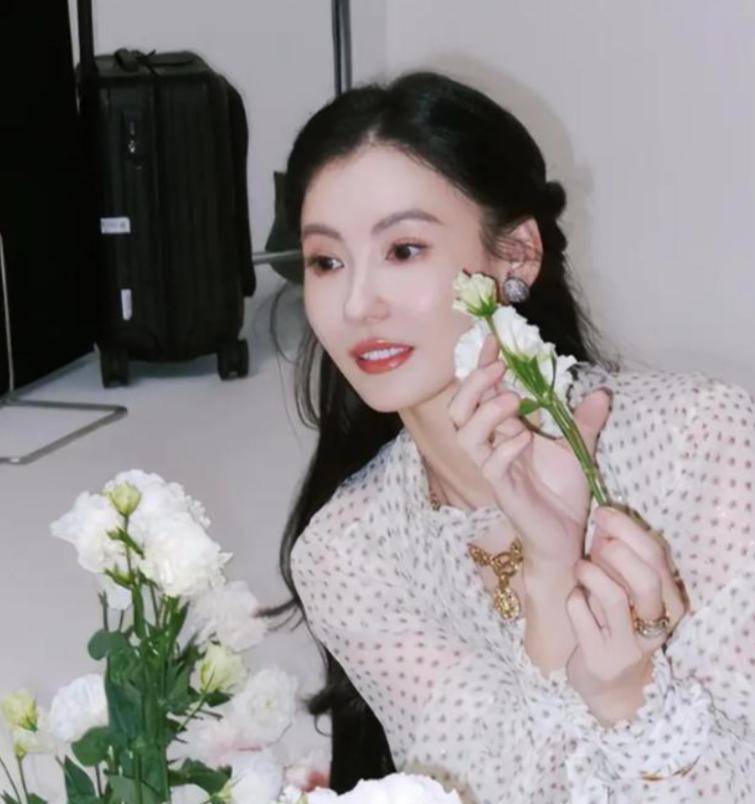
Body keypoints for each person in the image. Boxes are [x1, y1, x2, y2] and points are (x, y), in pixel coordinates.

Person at [260, 70, 755, 803]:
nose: (356, 305)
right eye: (327, 262)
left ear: (517, 254)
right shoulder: (346, 553)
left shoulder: (701, 443)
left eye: (403, 250)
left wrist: (627, 696)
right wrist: (550, 582)